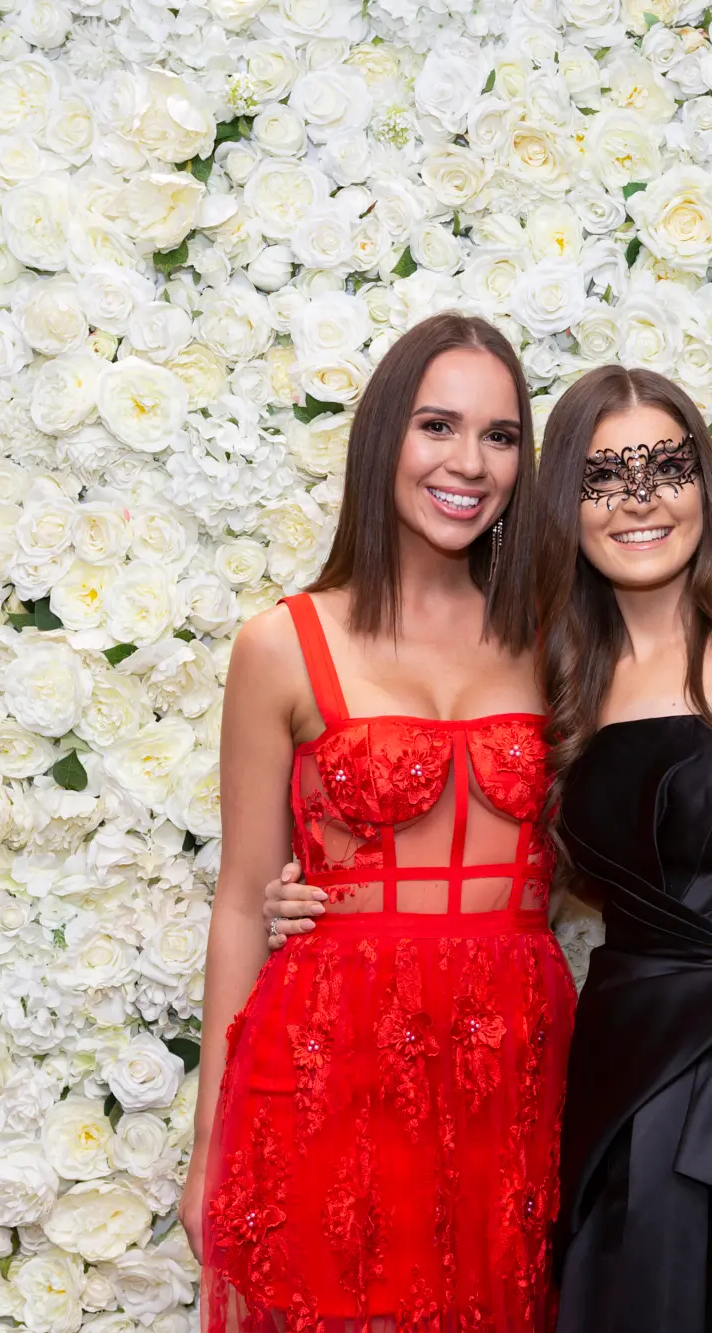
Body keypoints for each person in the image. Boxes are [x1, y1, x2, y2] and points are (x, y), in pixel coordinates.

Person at [266, 365, 712, 1332]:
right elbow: (526, 855)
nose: (638, 499)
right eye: (602, 475)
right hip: (626, 1070)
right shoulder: (558, 677)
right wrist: (315, 893)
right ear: (565, 508)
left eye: (663, 466)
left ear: (703, 488)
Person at [182, 312, 577, 1333]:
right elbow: (238, 903)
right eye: (435, 425)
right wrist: (207, 1149)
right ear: (380, 440)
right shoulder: (280, 642)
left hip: (514, 1065)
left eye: (499, 436)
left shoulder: (553, 636)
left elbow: (603, 843)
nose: (469, 462)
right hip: (331, 1059)